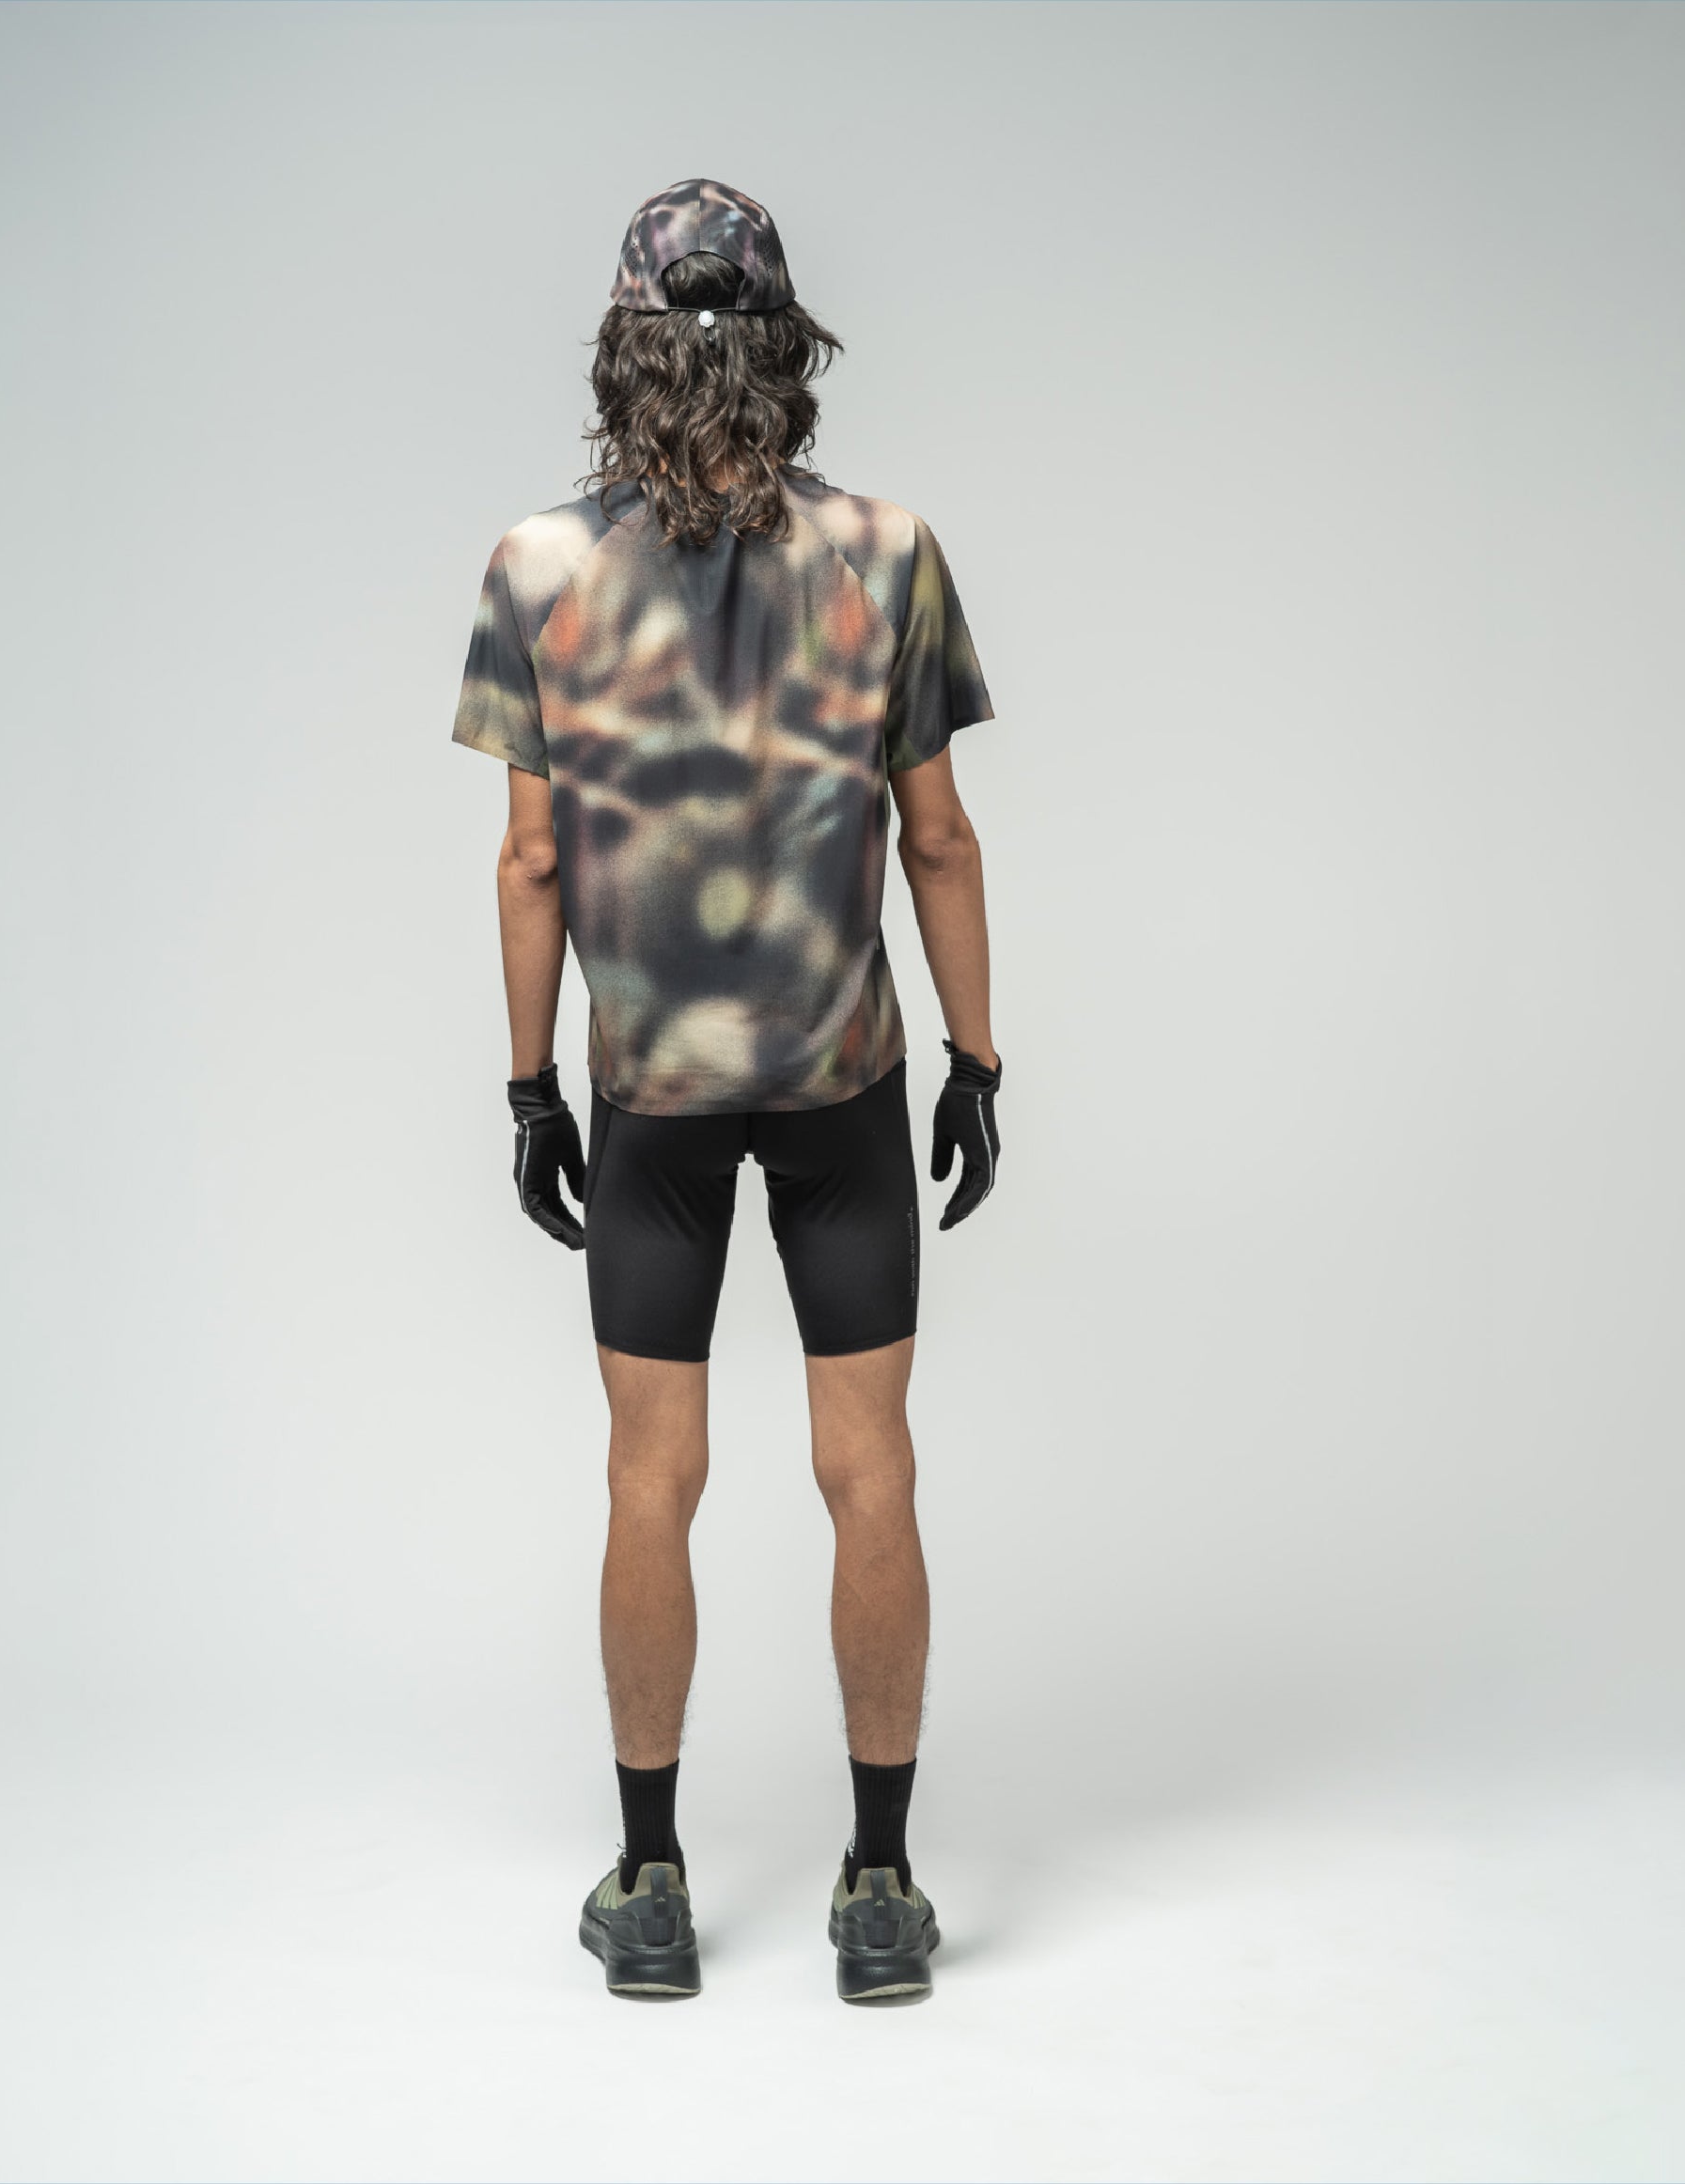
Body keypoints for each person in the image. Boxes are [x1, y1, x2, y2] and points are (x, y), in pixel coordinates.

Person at [450, 178, 1002, 2003]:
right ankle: (879, 1887)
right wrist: (977, 1057)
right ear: (788, 350)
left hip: (653, 1098)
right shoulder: (890, 553)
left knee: (649, 1477)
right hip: (840, 1079)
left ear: (624, 353)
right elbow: (937, 838)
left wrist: (528, 1088)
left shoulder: (538, 567)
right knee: (871, 1470)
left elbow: (532, 861)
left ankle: (652, 1880)